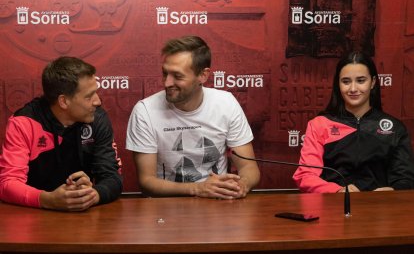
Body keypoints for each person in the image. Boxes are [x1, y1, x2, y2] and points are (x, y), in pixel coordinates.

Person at [126, 35, 260, 199]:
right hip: (166, 209)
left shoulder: (226, 103)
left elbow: (249, 168)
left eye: (178, 76)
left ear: (203, 75)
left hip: (219, 204)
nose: (167, 83)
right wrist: (198, 189)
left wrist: (241, 185)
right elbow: (147, 182)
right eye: (165, 73)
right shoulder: (145, 111)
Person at [0, 57, 123, 211]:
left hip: (83, 221)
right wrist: (48, 200)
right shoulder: (24, 122)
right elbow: (7, 184)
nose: (98, 101)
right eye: (89, 96)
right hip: (33, 216)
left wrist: (93, 194)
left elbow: (112, 177)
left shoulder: (97, 117)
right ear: (64, 101)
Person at [293, 51, 414, 193]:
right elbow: (306, 176)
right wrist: (338, 190)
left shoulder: (395, 128)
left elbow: (405, 179)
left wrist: (392, 191)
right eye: (346, 81)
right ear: (338, 84)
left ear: (373, 82)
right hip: (332, 208)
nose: (353, 89)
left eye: (361, 80)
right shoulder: (319, 124)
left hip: (380, 210)